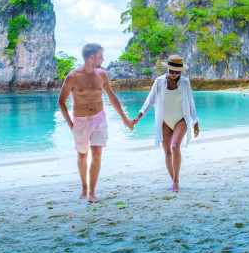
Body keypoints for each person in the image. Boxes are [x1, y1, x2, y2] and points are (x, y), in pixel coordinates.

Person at [58, 43, 137, 202]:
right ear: (91, 57)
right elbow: (61, 102)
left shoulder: (102, 75)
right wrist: (71, 126)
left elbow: (112, 97)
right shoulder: (73, 77)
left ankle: (92, 193)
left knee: (97, 153)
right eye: (101, 56)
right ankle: (84, 188)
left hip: (99, 119)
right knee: (82, 154)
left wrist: (125, 120)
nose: (103, 59)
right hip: (80, 122)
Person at [136, 55, 199, 192]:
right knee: (167, 153)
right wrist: (140, 115)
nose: (174, 74)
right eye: (172, 71)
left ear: (181, 72)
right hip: (163, 120)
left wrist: (195, 122)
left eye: (178, 72)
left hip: (181, 119)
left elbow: (190, 102)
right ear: (168, 70)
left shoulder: (185, 83)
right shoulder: (159, 82)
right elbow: (150, 99)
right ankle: (173, 181)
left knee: (175, 146)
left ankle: (176, 182)